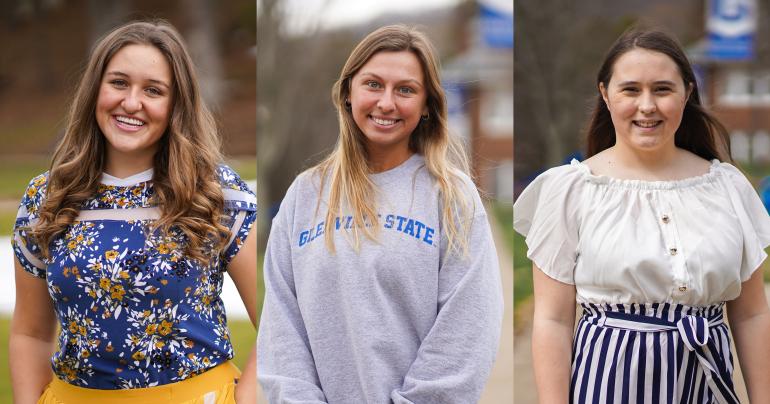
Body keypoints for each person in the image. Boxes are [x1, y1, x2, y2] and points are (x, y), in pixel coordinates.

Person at [514, 28, 770, 403]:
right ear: (606, 94)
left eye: (663, 90)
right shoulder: (570, 190)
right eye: (631, 90)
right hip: (608, 386)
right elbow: (552, 320)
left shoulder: (728, 188)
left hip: (705, 386)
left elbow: (751, 316)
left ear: (688, 92)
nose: (647, 106)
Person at [9, 20, 257, 404]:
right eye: (119, 83)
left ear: (176, 105)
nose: (131, 103)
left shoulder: (215, 193)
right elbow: (30, 333)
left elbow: (279, 323)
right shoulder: (47, 196)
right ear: (96, 90)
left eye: (153, 90)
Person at [257, 24, 504, 403]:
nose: (386, 103)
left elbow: (468, 331)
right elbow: (281, 329)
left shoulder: (452, 196)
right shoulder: (305, 196)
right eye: (373, 84)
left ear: (426, 106)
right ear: (348, 93)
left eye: (405, 89)